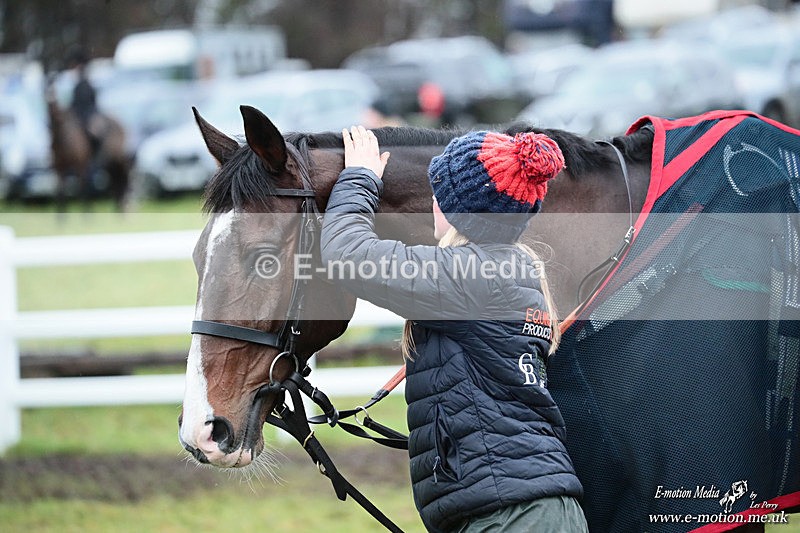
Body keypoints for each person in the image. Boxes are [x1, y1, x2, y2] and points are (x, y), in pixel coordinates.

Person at [320, 126, 588, 532]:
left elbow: (348, 255)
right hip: (529, 508)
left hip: (511, 517)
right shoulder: (507, 273)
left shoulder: (471, 277)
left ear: (460, 212)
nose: (432, 202)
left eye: (439, 195)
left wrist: (359, 178)